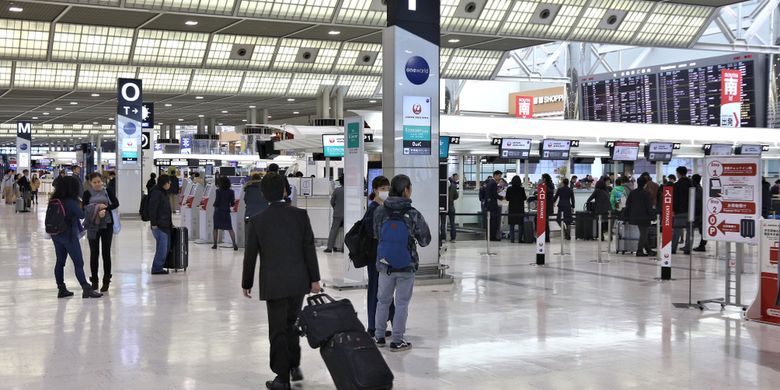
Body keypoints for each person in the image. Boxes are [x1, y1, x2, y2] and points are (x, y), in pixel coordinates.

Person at [242, 172, 322, 390]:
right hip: (298, 282)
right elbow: (309, 249)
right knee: (292, 324)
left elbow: (250, 255)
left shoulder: (257, 221)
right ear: (286, 191)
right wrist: (314, 279)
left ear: (263, 194)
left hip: (274, 283)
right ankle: (294, 365)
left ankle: (281, 377)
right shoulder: (300, 215)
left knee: (277, 329)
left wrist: (246, 282)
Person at [373, 174, 431, 352]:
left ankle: (379, 336)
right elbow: (425, 240)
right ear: (406, 190)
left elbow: (376, 234)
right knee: (402, 303)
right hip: (406, 265)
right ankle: (397, 340)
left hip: (385, 264)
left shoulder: (380, 211)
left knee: (382, 301)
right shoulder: (413, 213)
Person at [49, 176, 103, 299]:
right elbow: (82, 215)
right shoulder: (71, 201)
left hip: (56, 235)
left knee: (60, 262)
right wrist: (91, 207)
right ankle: (86, 288)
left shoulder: (55, 200)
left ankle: (61, 288)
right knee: (79, 263)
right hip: (69, 236)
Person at [363, 175, 394, 338]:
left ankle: (381, 324)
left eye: (387, 188)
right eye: (383, 189)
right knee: (376, 289)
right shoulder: (373, 208)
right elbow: (371, 232)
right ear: (375, 190)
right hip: (375, 255)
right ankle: (373, 326)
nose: (386, 191)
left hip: (383, 254)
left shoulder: (384, 207)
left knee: (385, 290)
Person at [82, 172, 119, 292]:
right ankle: (95, 280)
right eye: (95, 182)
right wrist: (97, 208)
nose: (97, 184)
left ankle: (106, 280)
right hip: (93, 226)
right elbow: (84, 208)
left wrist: (106, 208)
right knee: (94, 253)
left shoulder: (107, 191)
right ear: (90, 183)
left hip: (107, 225)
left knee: (106, 253)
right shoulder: (87, 193)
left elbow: (116, 203)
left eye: (99, 181)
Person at [147, 175, 173, 275]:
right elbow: (152, 209)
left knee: (164, 247)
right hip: (159, 225)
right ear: (165, 183)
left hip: (165, 224)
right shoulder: (157, 193)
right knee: (162, 248)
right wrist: (153, 224)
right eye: (169, 182)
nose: (170, 184)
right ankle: (157, 268)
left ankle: (159, 266)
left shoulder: (162, 192)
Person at [625, 176, 657, 257]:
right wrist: (653, 216)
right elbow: (648, 206)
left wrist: (628, 215)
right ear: (645, 184)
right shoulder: (646, 194)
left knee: (644, 233)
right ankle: (639, 251)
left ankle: (648, 250)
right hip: (644, 217)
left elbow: (628, 204)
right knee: (644, 234)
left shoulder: (633, 192)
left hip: (634, 216)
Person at [212, 176, 238, 250]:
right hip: (226, 211)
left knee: (215, 228)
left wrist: (214, 205)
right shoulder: (231, 192)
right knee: (230, 228)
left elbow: (217, 201)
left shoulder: (218, 191)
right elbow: (232, 203)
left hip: (218, 211)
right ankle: (234, 244)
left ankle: (215, 244)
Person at [672, 166, 692, 255]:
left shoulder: (676, 185)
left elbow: (675, 199)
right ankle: (688, 248)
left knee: (676, 230)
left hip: (679, 211)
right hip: (690, 211)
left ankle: (673, 248)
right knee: (689, 230)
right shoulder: (691, 183)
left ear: (678, 173)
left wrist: (673, 210)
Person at [325, 176, 344, 253]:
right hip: (348, 214)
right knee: (348, 231)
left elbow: (332, 202)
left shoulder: (337, 190)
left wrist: (336, 207)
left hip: (338, 213)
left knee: (334, 230)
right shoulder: (351, 190)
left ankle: (329, 248)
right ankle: (344, 248)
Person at [505, 175, 527, 243]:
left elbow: (507, 198)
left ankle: (512, 239)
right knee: (520, 224)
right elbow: (524, 198)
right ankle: (520, 239)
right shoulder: (521, 189)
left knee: (512, 224)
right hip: (520, 208)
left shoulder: (509, 189)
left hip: (512, 208)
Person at [485, 171, 504, 242]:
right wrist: (502, 198)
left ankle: (489, 236)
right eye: (499, 176)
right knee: (493, 221)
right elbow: (495, 195)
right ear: (495, 175)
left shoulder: (490, 182)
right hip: (492, 205)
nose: (500, 178)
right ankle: (492, 237)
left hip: (489, 204)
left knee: (490, 222)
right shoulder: (493, 183)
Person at [440, 173, 459, 243]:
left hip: (443, 206)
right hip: (451, 205)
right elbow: (456, 196)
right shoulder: (454, 186)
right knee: (452, 223)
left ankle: (443, 238)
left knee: (442, 222)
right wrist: (452, 199)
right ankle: (453, 238)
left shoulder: (442, 185)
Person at [692, 174, 707, 252]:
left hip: (698, 213)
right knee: (701, 230)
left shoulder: (696, 189)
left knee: (701, 230)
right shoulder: (700, 188)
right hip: (700, 212)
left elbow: (697, 200)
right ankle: (702, 245)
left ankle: (702, 246)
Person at [542, 173, 555, 243]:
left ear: (545, 178)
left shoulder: (550, 184)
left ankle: (547, 238)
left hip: (547, 206)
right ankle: (544, 237)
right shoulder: (545, 184)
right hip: (544, 205)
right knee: (544, 222)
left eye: (542, 178)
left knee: (546, 222)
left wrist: (544, 187)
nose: (542, 179)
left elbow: (550, 191)